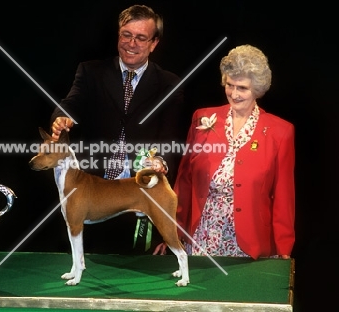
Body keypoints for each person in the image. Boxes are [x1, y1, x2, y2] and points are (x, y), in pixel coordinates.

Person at [49, 4, 185, 254]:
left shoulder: (169, 84)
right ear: (118, 35)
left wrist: (161, 162)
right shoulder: (90, 72)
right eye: (126, 35)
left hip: (139, 197)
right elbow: (70, 103)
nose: (131, 43)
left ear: (153, 43)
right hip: (92, 196)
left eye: (141, 38)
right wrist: (62, 117)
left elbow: (169, 139)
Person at [154, 44, 295, 259]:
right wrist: (173, 231)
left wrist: (283, 248)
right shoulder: (202, 119)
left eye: (243, 88)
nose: (234, 94)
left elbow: (283, 196)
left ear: (257, 89)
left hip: (250, 244)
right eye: (230, 85)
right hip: (201, 235)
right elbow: (185, 181)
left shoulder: (280, 131)